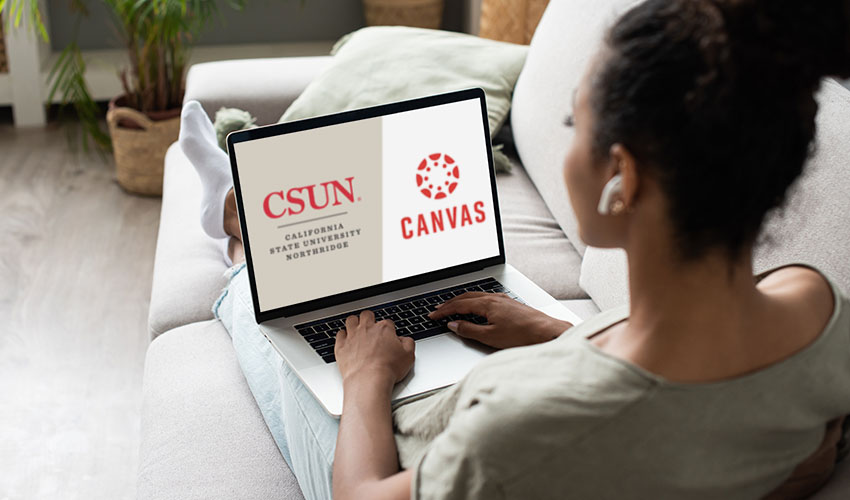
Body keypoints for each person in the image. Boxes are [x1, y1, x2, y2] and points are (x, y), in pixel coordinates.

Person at [179, 0, 850, 498]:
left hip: (420, 457)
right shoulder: (818, 307)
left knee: (265, 318)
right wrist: (561, 335)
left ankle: (238, 246)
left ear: (624, 179)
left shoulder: (526, 423)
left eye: (573, 125)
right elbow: (805, 453)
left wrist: (365, 381)